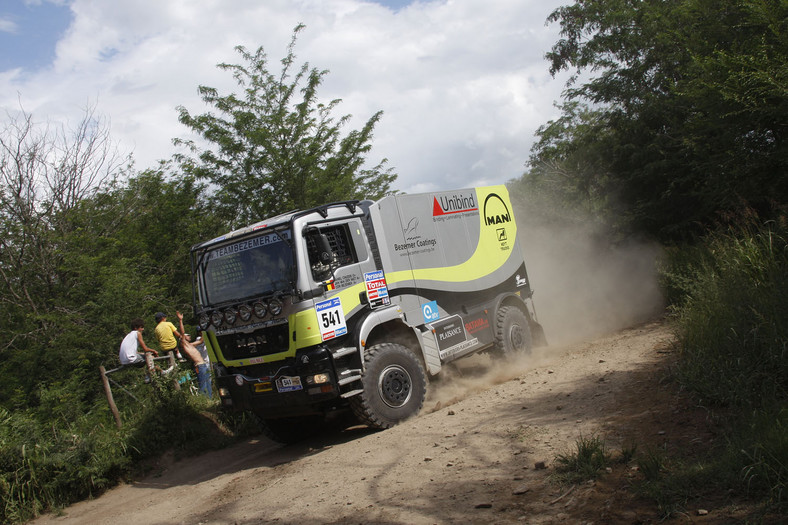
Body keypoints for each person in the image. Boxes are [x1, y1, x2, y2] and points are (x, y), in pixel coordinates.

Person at [177, 312, 213, 397]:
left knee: (208, 384)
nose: (189, 336)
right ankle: (204, 401)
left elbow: (201, 341)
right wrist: (180, 320)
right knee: (203, 385)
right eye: (187, 336)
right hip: (199, 366)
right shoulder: (184, 345)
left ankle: (210, 399)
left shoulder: (191, 345)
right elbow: (182, 332)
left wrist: (205, 328)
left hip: (203, 365)